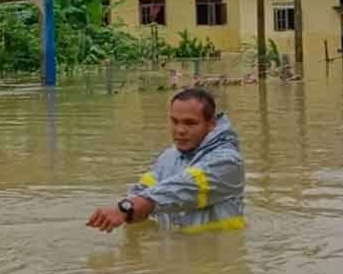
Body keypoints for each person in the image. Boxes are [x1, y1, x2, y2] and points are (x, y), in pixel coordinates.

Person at [87, 87, 245, 234]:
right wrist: (127, 212)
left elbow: (181, 189)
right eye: (175, 121)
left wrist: (126, 208)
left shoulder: (228, 161)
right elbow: (142, 192)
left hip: (216, 252)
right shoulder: (168, 156)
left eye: (190, 123)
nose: (180, 130)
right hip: (175, 249)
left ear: (211, 125)